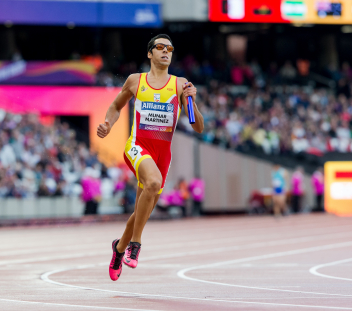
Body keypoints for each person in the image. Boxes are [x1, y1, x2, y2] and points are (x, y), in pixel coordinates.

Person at [97, 34, 204, 281]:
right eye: (160, 47)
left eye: (170, 48)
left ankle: (118, 249)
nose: (166, 51)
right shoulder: (136, 81)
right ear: (150, 53)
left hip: (162, 154)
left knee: (140, 212)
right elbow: (115, 107)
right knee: (153, 184)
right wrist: (107, 124)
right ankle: (136, 244)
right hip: (137, 147)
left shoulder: (180, 85)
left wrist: (193, 103)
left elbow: (197, 126)